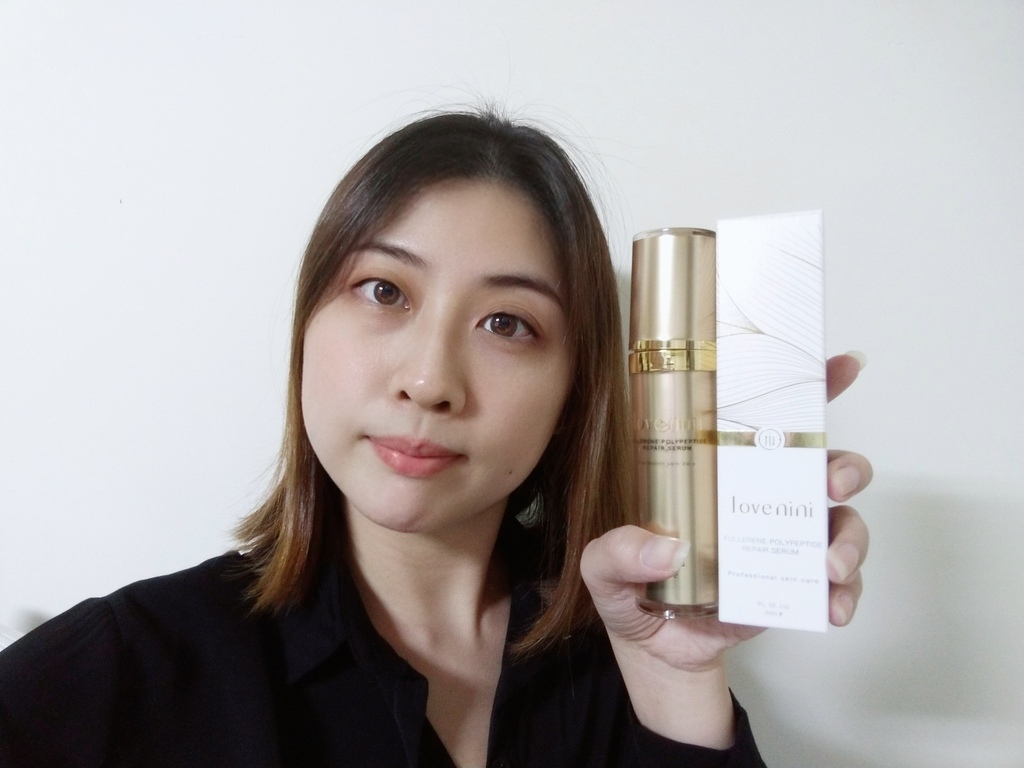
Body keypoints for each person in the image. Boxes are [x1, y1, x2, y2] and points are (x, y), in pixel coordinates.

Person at [0, 109, 871, 767]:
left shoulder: (629, 667)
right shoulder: (122, 669)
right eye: (385, 292)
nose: (428, 381)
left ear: (574, 391)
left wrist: (679, 680)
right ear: (306, 328)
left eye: (507, 323)